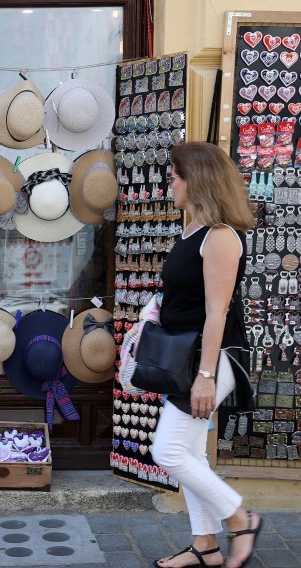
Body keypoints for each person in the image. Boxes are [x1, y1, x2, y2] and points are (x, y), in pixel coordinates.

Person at [151, 142, 259, 568]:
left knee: (169, 452)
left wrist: (206, 376)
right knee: (191, 455)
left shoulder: (220, 237)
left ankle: (240, 516)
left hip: (208, 360)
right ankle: (206, 548)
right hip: (186, 358)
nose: (170, 181)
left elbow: (217, 312)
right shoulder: (191, 232)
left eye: (175, 174)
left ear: (197, 179)